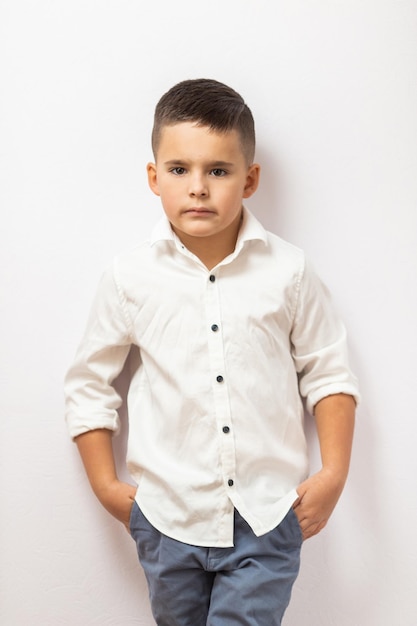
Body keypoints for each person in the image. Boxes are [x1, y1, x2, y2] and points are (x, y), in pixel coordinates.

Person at [64, 78, 360, 625]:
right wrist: (107, 486)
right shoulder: (129, 277)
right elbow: (88, 385)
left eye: (217, 171)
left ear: (249, 180)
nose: (197, 188)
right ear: (154, 178)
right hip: (167, 519)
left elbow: (328, 372)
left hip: (268, 516)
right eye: (179, 169)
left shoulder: (288, 272)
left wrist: (334, 473)